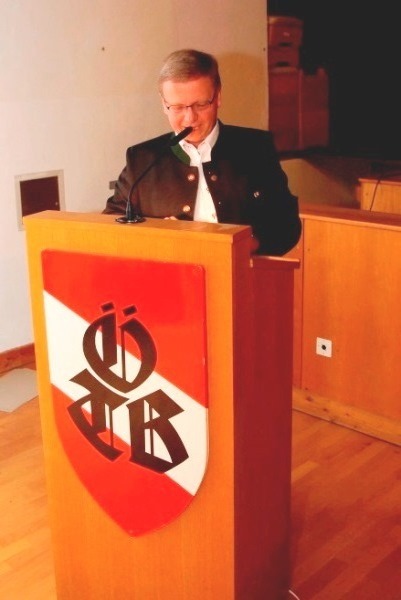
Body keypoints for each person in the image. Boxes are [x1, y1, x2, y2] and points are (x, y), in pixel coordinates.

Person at [103, 49, 301, 256]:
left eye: (200, 104)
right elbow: (112, 224)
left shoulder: (256, 148)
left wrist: (245, 244)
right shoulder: (141, 159)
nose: (190, 119)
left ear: (218, 97)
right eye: (178, 107)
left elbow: (286, 225)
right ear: (164, 104)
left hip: (242, 272)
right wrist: (156, 234)